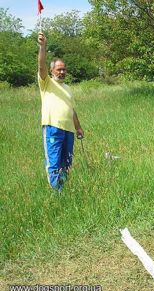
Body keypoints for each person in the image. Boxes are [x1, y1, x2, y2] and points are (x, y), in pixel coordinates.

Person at [37, 32, 84, 191]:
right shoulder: (46, 83)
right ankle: (57, 194)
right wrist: (42, 47)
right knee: (54, 162)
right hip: (52, 128)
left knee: (67, 163)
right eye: (59, 69)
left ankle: (63, 188)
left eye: (64, 69)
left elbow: (72, 110)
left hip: (69, 131)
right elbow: (41, 66)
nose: (62, 72)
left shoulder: (68, 89)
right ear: (52, 71)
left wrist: (78, 127)